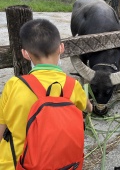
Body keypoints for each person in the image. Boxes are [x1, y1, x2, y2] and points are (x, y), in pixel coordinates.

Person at [0, 19, 93, 170]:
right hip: (61, 165)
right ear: (61, 48)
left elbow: (2, 128)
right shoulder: (72, 86)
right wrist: (89, 105)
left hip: (15, 164)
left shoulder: (13, 85)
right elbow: (88, 108)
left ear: (25, 54)